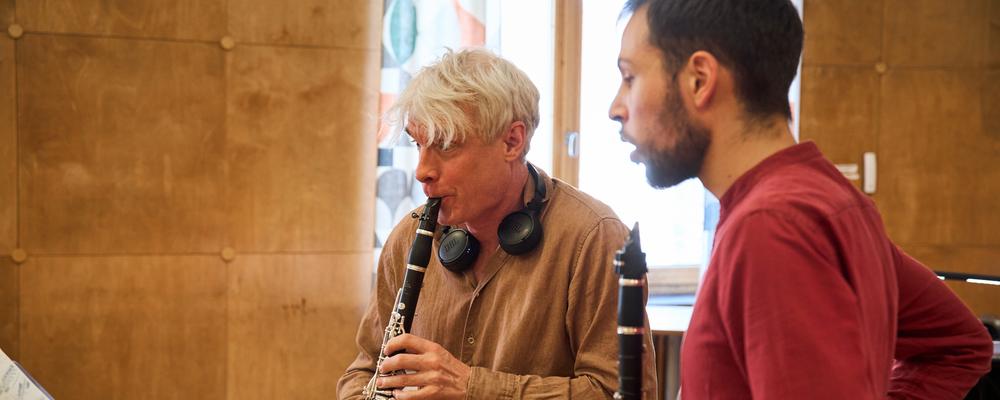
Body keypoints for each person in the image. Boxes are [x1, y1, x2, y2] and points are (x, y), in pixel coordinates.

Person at [609, 0, 994, 399]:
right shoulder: (824, 199)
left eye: (629, 76)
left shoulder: (773, 226)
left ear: (699, 80)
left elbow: (959, 346)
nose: (615, 108)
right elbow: (959, 344)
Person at [338, 48, 657, 399]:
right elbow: (365, 370)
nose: (421, 171)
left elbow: (621, 392)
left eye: (445, 144)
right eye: (418, 144)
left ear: (512, 141)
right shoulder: (408, 238)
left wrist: (472, 387)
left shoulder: (594, 239)